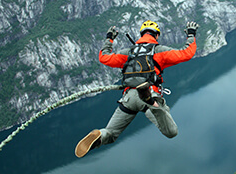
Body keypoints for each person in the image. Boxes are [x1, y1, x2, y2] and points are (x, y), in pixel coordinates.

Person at [75, 20, 199, 157]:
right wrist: (191, 35)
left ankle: (99, 137)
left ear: (141, 35)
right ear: (156, 36)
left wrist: (109, 39)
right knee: (171, 132)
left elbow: (104, 57)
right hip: (149, 95)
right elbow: (186, 53)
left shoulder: (127, 53)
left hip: (128, 98)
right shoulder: (159, 51)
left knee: (110, 133)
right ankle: (150, 100)